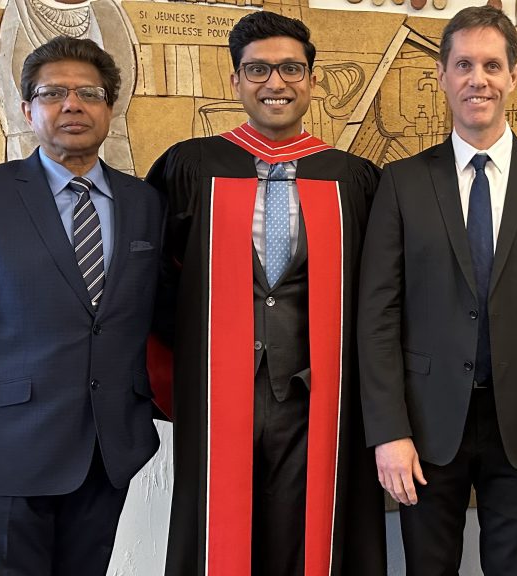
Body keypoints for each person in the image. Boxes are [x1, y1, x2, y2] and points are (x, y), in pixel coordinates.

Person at [358, 6, 517, 575]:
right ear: (442, 75)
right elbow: (377, 316)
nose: (478, 79)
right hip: (424, 426)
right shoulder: (401, 182)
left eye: (492, 65)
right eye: (463, 64)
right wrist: (388, 431)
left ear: (514, 75)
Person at [145, 11, 385, 576]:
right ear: (235, 81)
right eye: (257, 70)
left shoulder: (351, 177)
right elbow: (154, 277)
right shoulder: (192, 165)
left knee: (310, 535)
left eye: (290, 69)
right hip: (218, 391)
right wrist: (194, 356)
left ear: (312, 79)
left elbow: (379, 291)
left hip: (319, 393)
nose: (274, 83)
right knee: (221, 534)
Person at [0, 36, 162, 575]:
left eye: (89, 93)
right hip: (7, 456)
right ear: (27, 109)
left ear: (109, 108)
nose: (72, 104)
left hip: (109, 452)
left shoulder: (144, 203)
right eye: (53, 93)